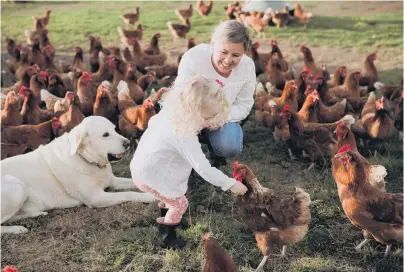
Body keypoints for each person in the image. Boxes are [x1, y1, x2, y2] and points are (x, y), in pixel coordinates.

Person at [130, 76, 248, 249]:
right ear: (194, 112)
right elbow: (203, 168)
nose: (210, 122)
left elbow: (153, 122)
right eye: (208, 117)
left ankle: (171, 216)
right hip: (151, 176)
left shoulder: (170, 114)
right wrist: (230, 184)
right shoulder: (184, 135)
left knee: (171, 196)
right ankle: (167, 237)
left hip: (144, 168)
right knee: (180, 203)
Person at [174, 20, 256, 167]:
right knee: (177, 136)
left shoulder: (247, 67)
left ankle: (215, 152)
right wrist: (198, 120)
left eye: (236, 55)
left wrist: (219, 118)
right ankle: (185, 159)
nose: (228, 60)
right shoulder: (193, 58)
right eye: (223, 52)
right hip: (190, 113)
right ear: (212, 45)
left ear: (244, 53)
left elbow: (245, 103)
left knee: (230, 145)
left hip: (222, 116)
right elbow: (181, 96)